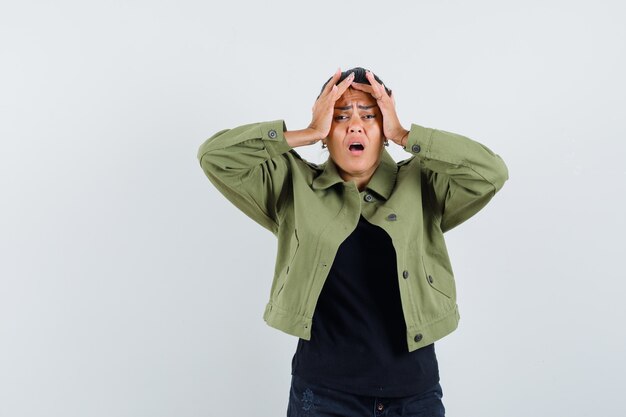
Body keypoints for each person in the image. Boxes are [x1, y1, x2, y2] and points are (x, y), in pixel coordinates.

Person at [197, 67, 508, 416]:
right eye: (340, 116)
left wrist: (406, 135)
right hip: (323, 395)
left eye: (369, 115)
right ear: (326, 133)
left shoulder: (423, 182)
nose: (355, 125)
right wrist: (306, 132)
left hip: (413, 395)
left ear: (384, 129)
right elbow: (214, 157)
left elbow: (491, 173)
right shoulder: (292, 183)